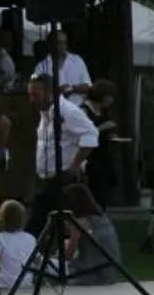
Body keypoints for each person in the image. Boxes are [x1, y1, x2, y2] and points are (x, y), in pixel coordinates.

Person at [27, 71, 98, 236]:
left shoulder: (67, 111)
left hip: (63, 178)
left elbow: (91, 134)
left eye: (35, 95)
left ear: (49, 93)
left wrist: (75, 166)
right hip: (47, 179)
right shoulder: (45, 114)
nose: (31, 100)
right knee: (52, 228)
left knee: (40, 225)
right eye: (30, 95)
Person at [62, 182, 121, 283]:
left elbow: (68, 255)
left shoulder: (82, 222)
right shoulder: (102, 218)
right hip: (111, 271)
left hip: (93, 274)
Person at [0, 198, 41, 292]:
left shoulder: (0, 237)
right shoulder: (30, 238)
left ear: (2, 220)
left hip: (5, 283)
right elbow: (38, 260)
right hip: (26, 282)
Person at [82, 80, 122, 206]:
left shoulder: (103, 111)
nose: (111, 101)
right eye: (110, 97)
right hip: (90, 158)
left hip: (104, 155)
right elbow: (84, 133)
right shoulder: (84, 111)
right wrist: (102, 128)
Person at [40, 28, 92, 105]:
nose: (63, 46)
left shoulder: (77, 61)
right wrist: (57, 91)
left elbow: (88, 87)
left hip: (77, 111)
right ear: (50, 44)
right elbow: (37, 94)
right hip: (53, 113)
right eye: (59, 43)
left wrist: (71, 88)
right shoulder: (42, 66)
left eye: (65, 43)